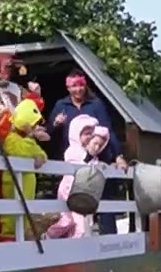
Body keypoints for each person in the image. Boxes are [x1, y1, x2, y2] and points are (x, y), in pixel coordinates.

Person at [0, 51, 45, 243]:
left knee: (2, 200)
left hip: (2, 153)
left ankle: (0, 241)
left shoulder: (0, 95)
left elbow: (16, 120)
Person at [47, 72, 128, 235]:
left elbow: (108, 130)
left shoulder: (96, 105)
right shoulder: (61, 105)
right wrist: (56, 123)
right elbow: (48, 133)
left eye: (81, 85)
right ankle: (73, 243)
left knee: (104, 203)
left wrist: (118, 156)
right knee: (73, 211)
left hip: (97, 159)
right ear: (68, 87)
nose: (78, 89)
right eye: (74, 86)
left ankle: (109, 244)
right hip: (73, 162)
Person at [47, 115, 106, 239]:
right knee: (67, 221)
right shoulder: (72, 150)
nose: (89, 136)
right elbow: (78, 164)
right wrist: (88, 157)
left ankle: (73, 247)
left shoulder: (93, 156)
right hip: (68, 192)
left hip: (83, 194)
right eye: (86, 133)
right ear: (76, 134)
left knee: (83, 225)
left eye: (92, 133)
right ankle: (48, 236)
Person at [0, 100, 50, 242]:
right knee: (11, 218)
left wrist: (40, 155)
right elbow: (21, 152)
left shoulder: (27, 140)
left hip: (27, 188)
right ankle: (8, 245)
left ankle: (25, 243)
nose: (35, 127)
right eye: (32, 124)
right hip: (13, 185)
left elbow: (39, 152)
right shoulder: (11, 138)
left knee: (27, 217)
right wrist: (31, 138)